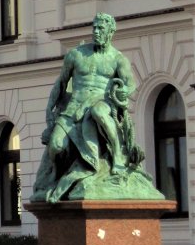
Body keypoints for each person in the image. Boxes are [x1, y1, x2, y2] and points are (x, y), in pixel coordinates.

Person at [33, 13, 135, 202]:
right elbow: (61, 84)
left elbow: (130, 85)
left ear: (111, 32)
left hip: (100, 102)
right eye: (94, 28)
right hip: (73, 108)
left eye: (101, 28)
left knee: (98, 112)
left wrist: (123, 92)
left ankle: (118, 156)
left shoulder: (118, 59)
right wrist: (49, 113)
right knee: (55, 147)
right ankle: (59, 178)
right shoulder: (76, 54)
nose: (96, 31)